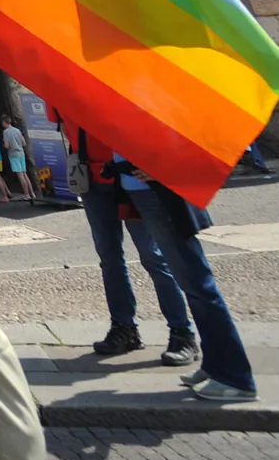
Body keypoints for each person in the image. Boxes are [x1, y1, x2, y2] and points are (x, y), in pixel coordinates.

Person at [111, 152, 255, 401]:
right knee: (192, 285)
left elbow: (193, 137)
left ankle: (236, 378)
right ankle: (215, 365)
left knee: (198, 284)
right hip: (144, 191)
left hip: (159, 191)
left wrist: (166, 165)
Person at [71, 129, 198, 369]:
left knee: (153, 257)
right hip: (92, 180)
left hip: (131, 177)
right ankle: (124, 329)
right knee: (109, 258)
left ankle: (182, 333)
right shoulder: (58, 99)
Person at [2, 117, 33, 200]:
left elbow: (7, 145)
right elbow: (23, 143)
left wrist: (5, 145)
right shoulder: (17, 130)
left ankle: (27, 195)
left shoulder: (6, 132)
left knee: (20, 176)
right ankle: (32, 193)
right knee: (25, 174)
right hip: (21, 153)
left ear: (5, 122)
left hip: (13, 154)